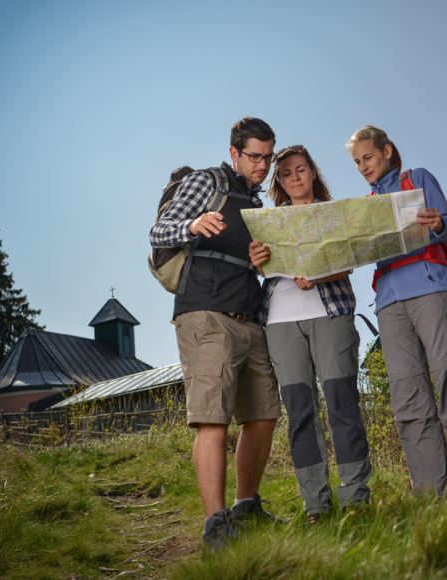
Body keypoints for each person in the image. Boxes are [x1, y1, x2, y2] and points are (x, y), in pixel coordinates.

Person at [345, 125, 447, 499]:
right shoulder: (364, 205)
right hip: (387, 302)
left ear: (386, 151)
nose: (363, 166)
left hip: (430, 287)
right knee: (408, 398)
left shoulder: (415, 179)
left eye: (367, 157)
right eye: (356, 162)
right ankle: (435, 500)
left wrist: (437, 222)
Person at [149, 117, 282, 553]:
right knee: (214, 417)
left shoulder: (256, 203)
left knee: (263, 414)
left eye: (268, 156)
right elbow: (158, 230)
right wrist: (192, 224)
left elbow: (254, 263)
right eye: (255, 156)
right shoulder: (207, 182)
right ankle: (215, 523)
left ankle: (246, 506)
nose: (263, 165)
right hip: (204, 314)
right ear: (234, 153)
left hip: (250, 318)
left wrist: (261, 260)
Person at [248, 145, 372, 524]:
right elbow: (259, 270)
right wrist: (254, 260)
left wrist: (318, 274)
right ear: (280, 183)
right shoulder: (266, 222)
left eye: (301, 170)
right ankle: (315, 505)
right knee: (300, 412)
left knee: (342, 405)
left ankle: (355, 497)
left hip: (330, 315)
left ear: (313, 173)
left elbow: (348, 263)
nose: (295, 177)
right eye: (286, 174)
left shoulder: (332, 214)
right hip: (280, 323)